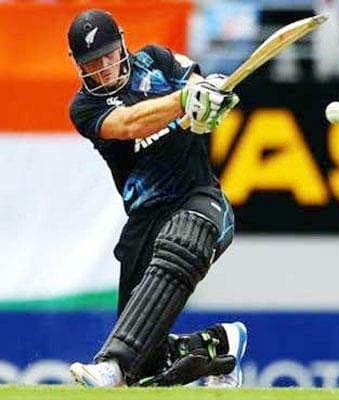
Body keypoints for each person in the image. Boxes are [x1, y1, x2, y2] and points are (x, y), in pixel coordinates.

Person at [66, 9, 247, 388]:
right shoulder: (84, 107)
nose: (103, 69)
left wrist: (209, 99)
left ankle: (113, 365)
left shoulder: (156, 60)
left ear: (122, 45)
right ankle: (222, 343)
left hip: (200, 199)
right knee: (146, 364)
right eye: (91, 64)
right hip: (145, 220)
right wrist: (184, 100)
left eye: (107, 56)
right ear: (78, 65)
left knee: (181, 240)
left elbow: (195, 84)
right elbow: (129, 123)